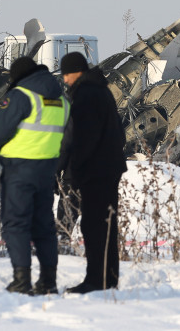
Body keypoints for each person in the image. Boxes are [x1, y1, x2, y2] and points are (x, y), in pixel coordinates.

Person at [0, 56, 69, 295]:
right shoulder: (62, 100)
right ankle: (48, 281)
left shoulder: (22, 95)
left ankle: (21, 279)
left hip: (20, 169)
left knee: (16, 223)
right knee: (44, 226)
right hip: (47, 170)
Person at [57, 52, 127, 294]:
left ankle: (96, 280)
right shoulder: (101, 91)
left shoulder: (85, 95)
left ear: (77, 72)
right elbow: (119, 132)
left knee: (93, 226)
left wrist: (73, 172)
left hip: (95, 171)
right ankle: (109, 278)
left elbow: (81, 139)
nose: (65, 80)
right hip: (109, 169)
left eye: (66, 74)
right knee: (106, 226)